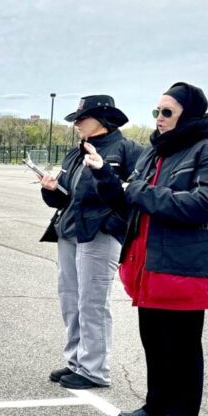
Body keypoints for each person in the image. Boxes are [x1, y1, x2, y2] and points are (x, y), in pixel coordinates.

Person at [87, 82, 208, 416]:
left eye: (167, 112)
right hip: (147, 262)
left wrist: (136, 191)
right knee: (153, 339)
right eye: (157, 111)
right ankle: (157, 405)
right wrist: (105, 176)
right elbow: (128, 202)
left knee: (183, 346)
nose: (159, 118)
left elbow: (204, 203)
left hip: (185, 265)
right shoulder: (156, 153)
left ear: (189, 113)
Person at [40, 95, 142, 390]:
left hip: (99, 232)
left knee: (92, 302)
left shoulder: (127, 150)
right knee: (70, 299)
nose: (76, 124)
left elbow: (128, 196)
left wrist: (105, 176)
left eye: (81, 119)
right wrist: (50, 190)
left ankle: (94, 369)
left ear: (102, 119)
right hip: (70, 230)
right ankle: (76, 361)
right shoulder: (75, 153)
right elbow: (67, 196)